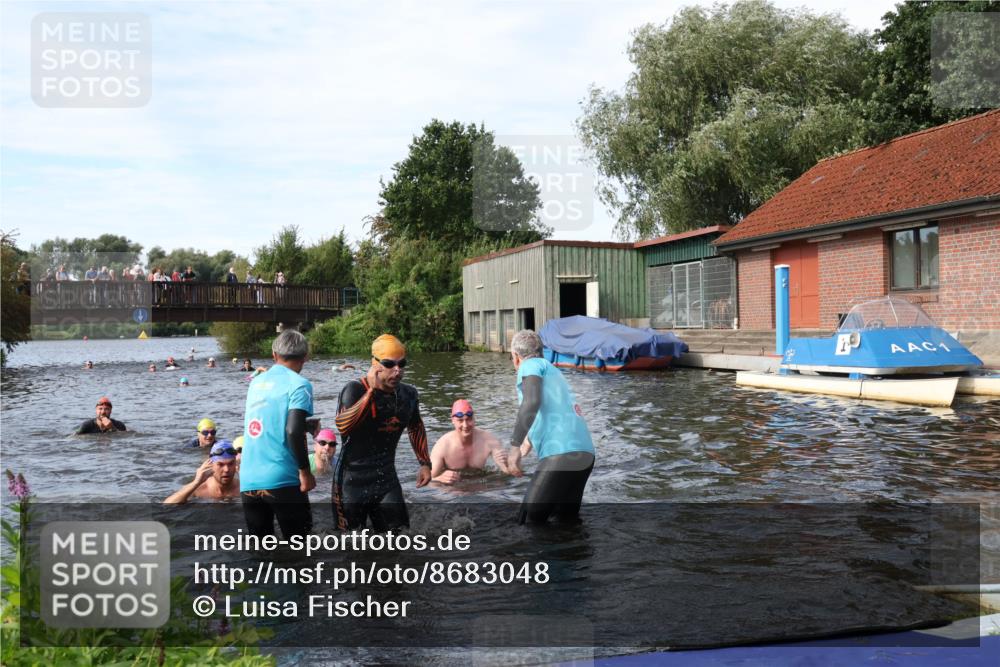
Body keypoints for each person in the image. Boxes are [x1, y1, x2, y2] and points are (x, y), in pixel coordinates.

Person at [333, 334, 430, 531]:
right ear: (375, 364)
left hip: (386, 480)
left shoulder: (409, 394)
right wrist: (371, 393)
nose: (397, 370)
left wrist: (425, 463)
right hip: (351, 483)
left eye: (402, 364)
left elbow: (415, 426)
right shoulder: (354, 390)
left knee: (402, 538)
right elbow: (342, 425)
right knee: (349, 544)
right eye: (389, 364)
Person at [505, 330, 595, 524]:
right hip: (585, 455)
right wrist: (528, 441)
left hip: (562, 454)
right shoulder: (553, 371)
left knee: (529, 520)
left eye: (512, 358)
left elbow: (532, 402)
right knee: (565, 523)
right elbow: (554, 409)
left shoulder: (529, 365)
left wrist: (514, 446)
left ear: (516, 357)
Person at [240, 329, 316, 538]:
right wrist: (305, 472)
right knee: (300, 547)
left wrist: (305, 426)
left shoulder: (256, 382)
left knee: (260, 549)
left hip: (249, 479)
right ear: (305, 356)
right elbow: (292, 430)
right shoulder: (300, 385)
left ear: (274, 355)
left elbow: (270, 421)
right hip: (283, 478)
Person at [429, 399, 513, 484]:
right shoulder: (442, 447)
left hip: (481, 486)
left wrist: (505, 463)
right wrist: (440, 478)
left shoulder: (489, 440)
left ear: (474, 419)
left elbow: (509, 474)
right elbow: (427, 480)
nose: (465, 425)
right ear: (453, 420)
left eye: (469, 419)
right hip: (454, 489)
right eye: (460, 420)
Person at [164, 441, 241, 504]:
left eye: (231, 464)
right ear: (211, 465)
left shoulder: (242, 488)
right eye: (220, 464)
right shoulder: (199, 490)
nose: (226, 469)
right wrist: (196, 482)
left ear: (236, 464)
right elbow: (166, 506)